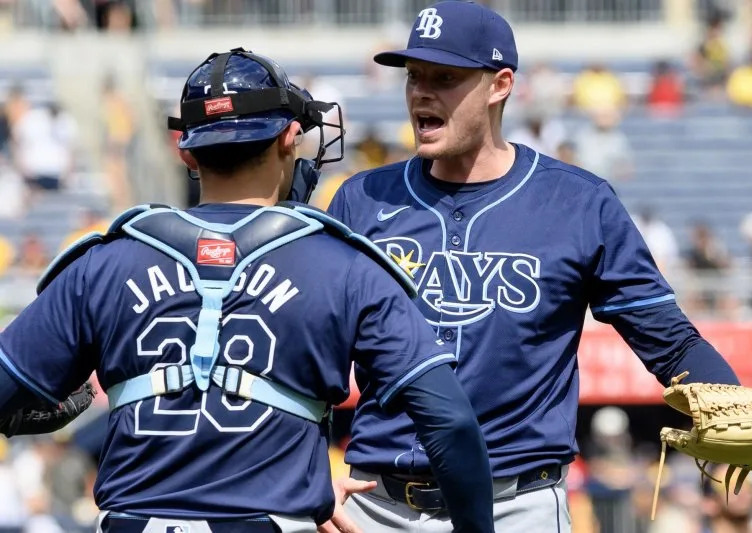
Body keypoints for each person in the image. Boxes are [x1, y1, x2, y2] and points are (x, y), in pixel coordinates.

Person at [0, 48, 494, 533]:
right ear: (289, 137)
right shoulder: (345, 265)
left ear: (186, 151)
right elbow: (448, 421)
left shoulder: (104, 261)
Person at [324, 2, 742, 532]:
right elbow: (310, 355)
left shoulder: (578, 203)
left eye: (445, 77)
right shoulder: (362, 198)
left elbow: (671, 342)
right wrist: (310, 475)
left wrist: (731, 405)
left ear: (500, 85)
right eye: (414, 77)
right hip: (375, 506)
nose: (421, 93)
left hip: (517, 507)